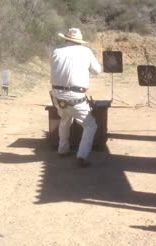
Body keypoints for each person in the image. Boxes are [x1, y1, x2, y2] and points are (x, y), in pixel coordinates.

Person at [50, 28, 102, 167]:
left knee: (65, 118)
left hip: (57, 96)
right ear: (79, 41)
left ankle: (63, 149)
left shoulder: (56, 50)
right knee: (90, 125)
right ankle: (82, 156)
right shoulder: (86, 51)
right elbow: (97, 71)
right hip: (76, 96)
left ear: (66, 38)